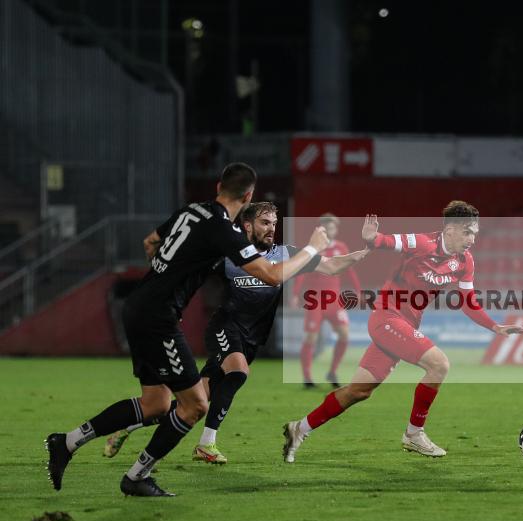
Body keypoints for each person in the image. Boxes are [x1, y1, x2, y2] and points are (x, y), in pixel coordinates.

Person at [45, 163, 330, 497]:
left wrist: (167, 280)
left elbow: (151, 242)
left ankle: (66, 442)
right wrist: (313, 247)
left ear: (219, 185)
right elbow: (272, 275)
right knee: (195, 405)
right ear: (249, 195)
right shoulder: (223, 229)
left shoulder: (191, 211)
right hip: (158, 318)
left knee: (155, 404)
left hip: (139, 306)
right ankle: (136, 476)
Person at [102, 202, 370, 465]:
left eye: (275, 224)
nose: (271, 228)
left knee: (197, 399)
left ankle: (133, 424)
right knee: (238, 371)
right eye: (265, 223)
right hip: (225, 326)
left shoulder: (286, 254)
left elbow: (332, 265)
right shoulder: (230, 253)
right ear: (248, 225)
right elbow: (187, 270)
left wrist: (363, 253)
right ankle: (206, 443)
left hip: (252, 337)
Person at [282, 201, 523, 461]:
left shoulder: (464, 261)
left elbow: (468, 301)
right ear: (451, 229)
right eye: (468, 232)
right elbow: (387, 241)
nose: (472, 240)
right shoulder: (422, 243)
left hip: (404, 326)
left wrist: (494, 326)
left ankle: (300, 428)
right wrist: (371, 238)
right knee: (439, 364)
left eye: (475, 234)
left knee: (359, 391)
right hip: (387, 318)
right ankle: (414, 434)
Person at [290, 213, 362, 389]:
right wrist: (295, 294)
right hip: (315, 301)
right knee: (311, 338)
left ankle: (332, 371)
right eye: (327, 227)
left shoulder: (341, 247)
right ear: (321, 229)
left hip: (334, 301)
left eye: (333, 227)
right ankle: (307, 377)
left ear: (336, 229)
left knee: (344, 335)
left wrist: (358, 291)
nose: (331, 230)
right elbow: (302, 272)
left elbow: (349, 270)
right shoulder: (312, 249)